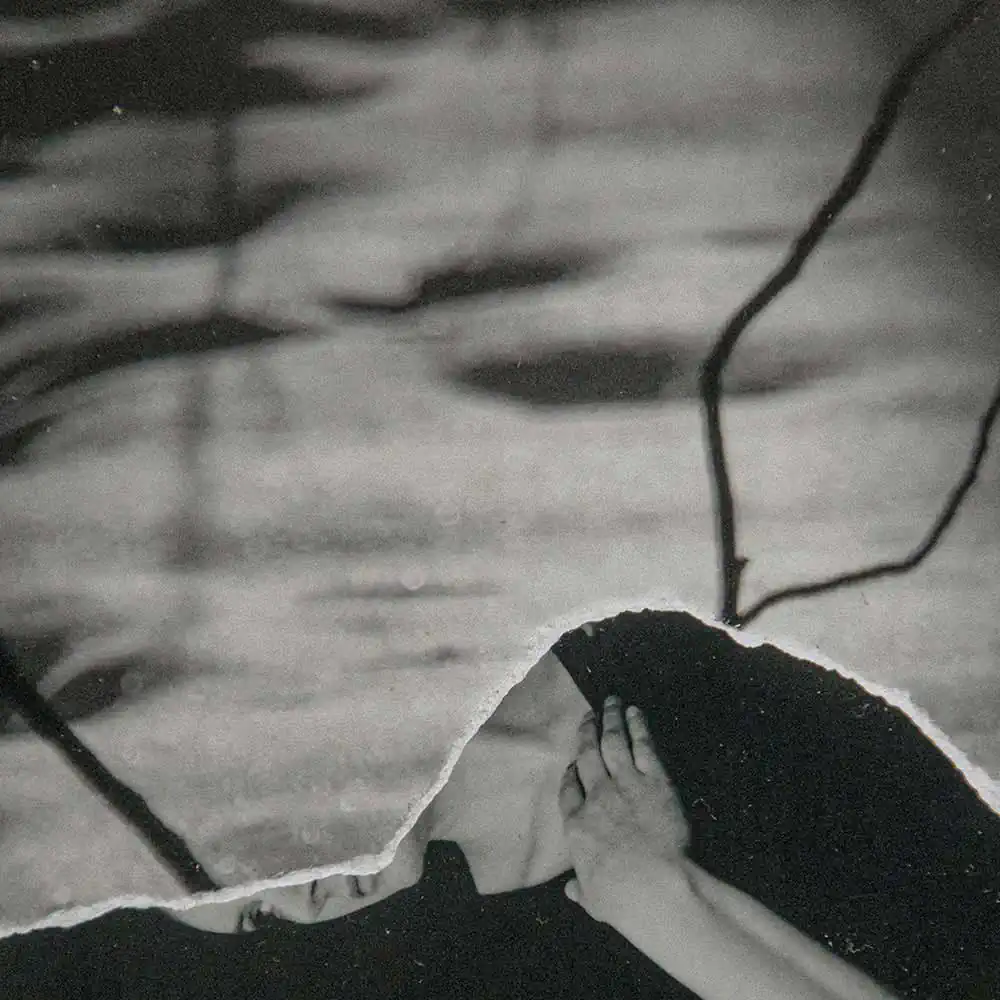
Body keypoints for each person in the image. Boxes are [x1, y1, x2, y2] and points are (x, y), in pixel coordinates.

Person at [158, 609, 999, 1000]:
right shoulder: (510, 970)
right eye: (255, 918)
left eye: (246, 858)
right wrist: (652, 898)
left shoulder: (597, 617)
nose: (297, 903)